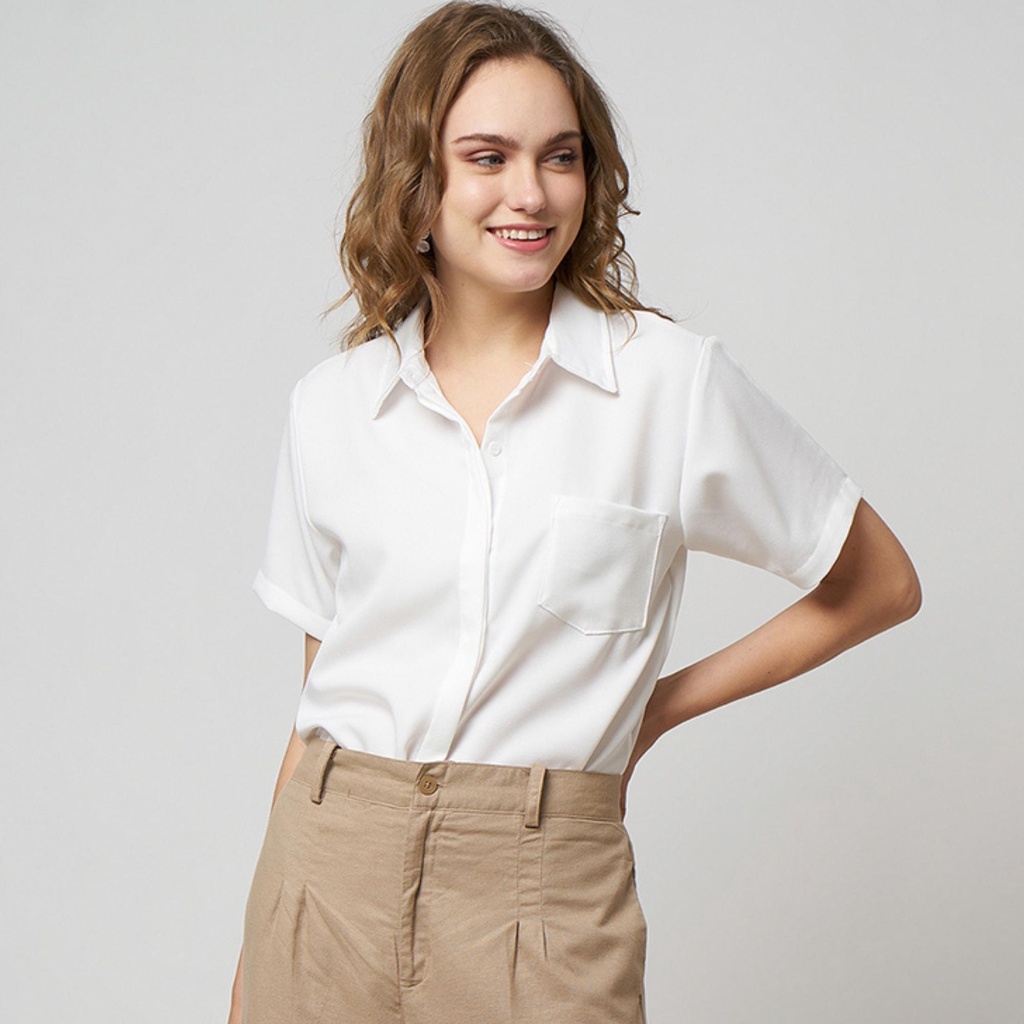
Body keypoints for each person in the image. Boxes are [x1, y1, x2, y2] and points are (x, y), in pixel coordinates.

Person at [227, 3, 921, 1022]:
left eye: (560, 156)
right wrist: (253, 963)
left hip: (541, 886)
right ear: (417, 182)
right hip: (325, 873)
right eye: (488, 157)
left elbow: (880, 585)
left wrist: (657, 710)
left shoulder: (667, 385)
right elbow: (316, 700)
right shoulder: (332, 407)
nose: (531, 192)